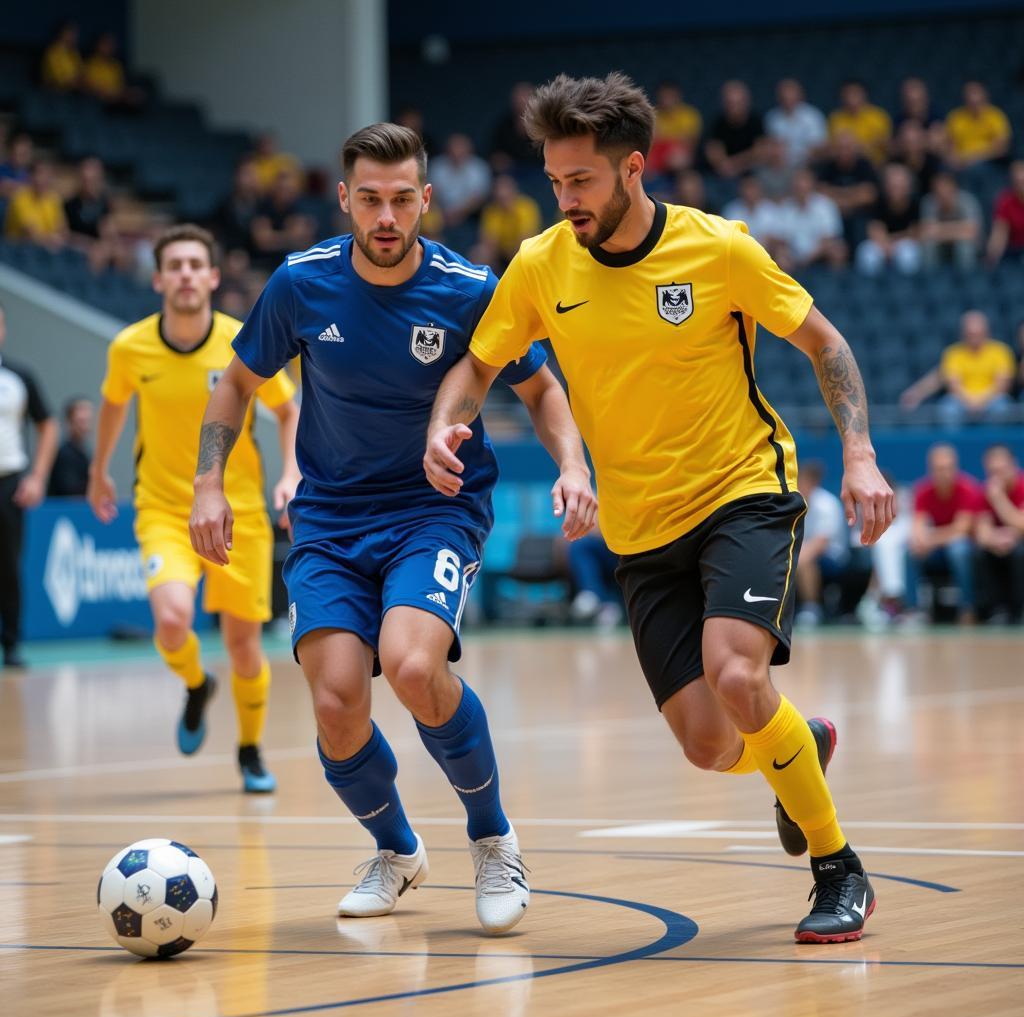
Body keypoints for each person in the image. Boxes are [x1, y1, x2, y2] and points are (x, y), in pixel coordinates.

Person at [426, 72, 894, 945]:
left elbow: (825, 342)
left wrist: (859, 454)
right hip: (639, 529)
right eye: (554, 181)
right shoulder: (539, 265)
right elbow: (480, 365)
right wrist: (443, 425)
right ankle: (803, 743)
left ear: (632, 168)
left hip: (740, 491)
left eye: (582, 181)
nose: (565, 199)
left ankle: (839, 868)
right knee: (711, 745)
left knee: (738, 674)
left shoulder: (720, 250)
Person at [189, 123, 595, 933]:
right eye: (369, 199)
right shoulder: (300, 285)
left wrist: (573, 466)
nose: (385, 215)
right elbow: (235, 385)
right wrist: (208, 482)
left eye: (401, 199)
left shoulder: (468, 288)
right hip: (331, 518)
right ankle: (397, 850)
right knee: (338, 703)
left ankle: (494, 840)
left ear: (425, 200)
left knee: (413, 666)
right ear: (343, 198)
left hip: (432, 510)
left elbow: (543, 392)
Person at [86, 224, 300, 792]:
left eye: (193, 265)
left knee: (243, 644)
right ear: (158, 278)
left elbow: (288, 409)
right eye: (173, 265)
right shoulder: (129, 347)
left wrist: (292, 472)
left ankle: (251, 749)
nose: (184, 274)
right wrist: (99, 469)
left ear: (211, 277)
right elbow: (111, 407)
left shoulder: (242, 340)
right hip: (162, 507)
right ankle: (196, 684)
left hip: (240, 514)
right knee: (173, 620)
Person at [0, 300, 58, 668]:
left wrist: (37, 477)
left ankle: (11, 644)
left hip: (8, 481)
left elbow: (48, 424)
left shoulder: (18, 376)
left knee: (7, 566)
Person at [905, 444, 979, 624]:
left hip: (965, 547)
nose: (944, 473)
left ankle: (968, 607)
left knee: (958, 549)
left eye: (948, 467)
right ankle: (914, 609)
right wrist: (921, 541)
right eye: (939, 468)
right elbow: (918, 525)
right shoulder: (922, 491)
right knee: (910, 551)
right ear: (930, 469)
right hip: (937, 549)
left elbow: (961, 529)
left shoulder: (968, 488)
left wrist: (929, 540)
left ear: (956, 467)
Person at [900, 310, 1015, 425]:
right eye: (970, 334)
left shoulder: (1000, 351)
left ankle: (996, 442)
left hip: (991, 400)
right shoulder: (954, 353)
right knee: (948, 409)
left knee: (1001, 407)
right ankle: (953, 442)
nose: (974, 338)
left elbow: (1001, 385)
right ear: (963, 334)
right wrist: (970, 402)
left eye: (978, 334)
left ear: (986, 332)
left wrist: (981, 402)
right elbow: (953, 385)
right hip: (961, 401)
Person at [794, 461, 850, 627]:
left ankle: (811, 608)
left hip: (833, 556)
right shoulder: (793, 502)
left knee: (805, 562)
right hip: (801, 552)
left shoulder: (826, 504)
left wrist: (795, 559)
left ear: (813, 483)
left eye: (802, 482)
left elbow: (820, 544)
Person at [975, 444, 1024, 623]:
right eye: (992, 471)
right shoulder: (984, 491)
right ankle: (996, 610)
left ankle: (1019, 610)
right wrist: (996, 539)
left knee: (1019, 553)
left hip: (1019, 543)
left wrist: (998, 498)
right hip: (999, 544)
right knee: (981, 553)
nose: (996, 476)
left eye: (1001, 470)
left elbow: (1021, 524)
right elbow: (982, 532)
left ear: (1013, 466)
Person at [855, 163, 922, 276]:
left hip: (902, 244)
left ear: (908, 187)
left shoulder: (915, 204)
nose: (896, 190)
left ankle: (907, 287)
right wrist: (887, 244)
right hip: (882, 243)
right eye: (892, 185)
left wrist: (893, 242)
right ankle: (868, 288)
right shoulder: (878, 201)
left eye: (900, 186)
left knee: (908, 252)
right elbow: (874, 230)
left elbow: (916, 234)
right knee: (867, 251)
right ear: (886, 186)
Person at [776, 168, 846, 270]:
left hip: (820, 253)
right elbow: (782, 239)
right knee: (780, 255)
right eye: (798, 186)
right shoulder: (785, 208)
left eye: (804, 184)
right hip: (793, 256)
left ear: (811, 185)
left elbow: (829, 237)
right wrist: (787, 254)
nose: (801, 188)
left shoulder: (825, 205)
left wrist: (809, 257)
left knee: (838, 249)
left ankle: (833, 284)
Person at [919, 170, 982, 270]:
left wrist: (940, 230)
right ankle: (930, 277)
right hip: (940, 246)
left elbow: (973, 231)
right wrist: (960, 229)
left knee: (964, 245)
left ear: (954, 188)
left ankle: (966, 278)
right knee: (928, 244)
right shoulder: (928, 202)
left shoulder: (968, 201)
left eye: (946, 187)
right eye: (938, 189)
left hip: (966, 248)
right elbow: (927, 232)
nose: (942, 192)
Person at [944, 81, 1012, 172]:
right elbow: (949, 145)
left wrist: (972, 158)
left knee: (977, 169)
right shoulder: (956, 117)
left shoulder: (996, 116)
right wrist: (954, 158)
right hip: (960, 164)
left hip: (988, 163)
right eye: (969, 95)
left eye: (976, 94)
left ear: (985, 96)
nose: (973, 99)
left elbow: (1001, 148)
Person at [704, 80, 764, 180]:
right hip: (722, 172)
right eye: (730, 103)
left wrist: (735, 165)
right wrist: (725, 165)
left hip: (751, 172)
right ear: (723, 103)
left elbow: (761, 152)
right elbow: (713, 152)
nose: (734, 107)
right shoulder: (717, 123)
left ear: (747, 102)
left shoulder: (756, 121)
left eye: (738, 103)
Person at [765, 78, 827, 169]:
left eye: (791, 97)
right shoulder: (772, 118)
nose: (788, 101)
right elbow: (770, 148)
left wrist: (800, 160)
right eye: (784, 98)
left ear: (800, 96)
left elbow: (819, 147)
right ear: (779, 98)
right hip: (781, 166)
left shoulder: (812, 116)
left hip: (808, 165)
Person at [4, 160, 68, 249]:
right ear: (30, 176)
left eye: (48, 175)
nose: (44, 179)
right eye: (40, 174)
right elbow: (30, 233)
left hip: (46, 250)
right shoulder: (20, 198)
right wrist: (52, 239)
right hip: (17, 252)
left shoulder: (53, 199)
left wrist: (58, 239)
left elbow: (63, 230)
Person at [828, 80, 891, 165]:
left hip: (874, 165)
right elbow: (832, 148)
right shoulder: (836, 118)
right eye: (847, 94)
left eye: (855, 94)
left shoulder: (878, 117)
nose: (851, 98)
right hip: (843, 164)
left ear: (864, 95)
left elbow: (886, 146)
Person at [48, 396, 93, 497]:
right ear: (69, 422)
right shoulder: (64, 454)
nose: (85, 427)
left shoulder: (83, 452)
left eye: (88, 421)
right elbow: (70, 491)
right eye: (81, 421)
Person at [986, 160, 1024, 265]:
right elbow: (1000, 232)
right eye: (1018, 181)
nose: (1021, 183)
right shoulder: (1005, 200)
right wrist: (992, 257)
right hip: (1013, 250)